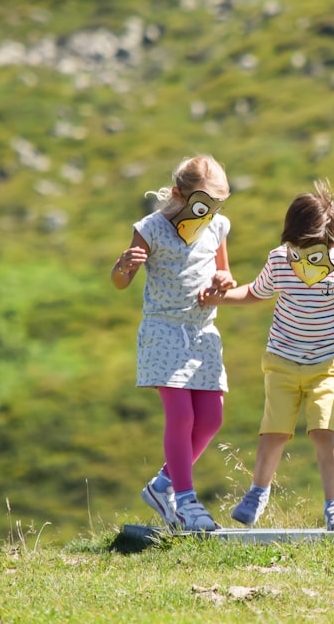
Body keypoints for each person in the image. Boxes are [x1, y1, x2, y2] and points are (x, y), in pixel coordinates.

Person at [199, 179, 334, 531]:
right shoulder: (279, 260)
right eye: (299, 248)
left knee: (325, 431)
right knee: (273, 431)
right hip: (282, 362)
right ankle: (258, 493)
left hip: (326, 365)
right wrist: (219, 299)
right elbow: (256, 293)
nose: (305, 256)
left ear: (333, 239)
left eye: (314, 248)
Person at [111, 154, 236, 532]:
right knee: (181, 416)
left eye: (216, 205)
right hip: (164, 331)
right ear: (179, 195)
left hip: (203, 333)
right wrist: (124, 265)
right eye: (202, 204)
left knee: (211, 419)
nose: (209, 212)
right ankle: (185, 501)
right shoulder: (150, 228)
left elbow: (224, 271)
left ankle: (162, 485)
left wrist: (223, 283)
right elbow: (120, 282)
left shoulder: (217, 226)